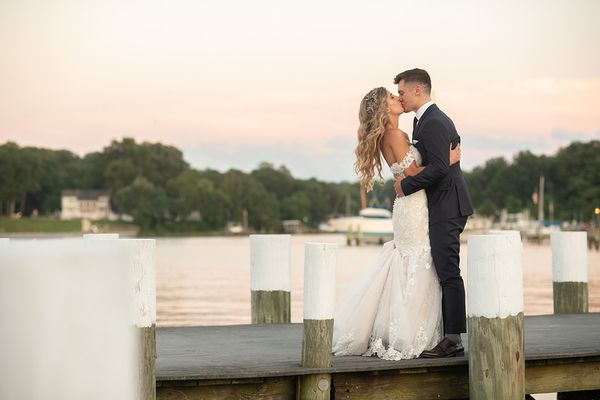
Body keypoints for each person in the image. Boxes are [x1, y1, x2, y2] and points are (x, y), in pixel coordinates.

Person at [331, 86, 461, 360]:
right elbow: (413, 172)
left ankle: (412, 328)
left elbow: (407, 173)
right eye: (392, 97)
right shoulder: (395, 134)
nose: (398, 98)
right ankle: (412, 332)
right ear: (383, 108)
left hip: (410, 203)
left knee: (412, 262)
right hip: (413, 206)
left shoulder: (391, 135)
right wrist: (446, 160)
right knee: (418, 262)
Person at [394, 68, 473, 358]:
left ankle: (453, 340)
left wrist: (406, 185)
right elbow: (441, 163)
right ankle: (445, 334)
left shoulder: (434, 122)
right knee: (442, 269)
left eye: (401, 92)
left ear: (418, 90)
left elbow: (440, 168)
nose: (399, 97)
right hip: (440, 204)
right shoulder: (424, 121)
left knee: (448, 271)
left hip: (448, 205)